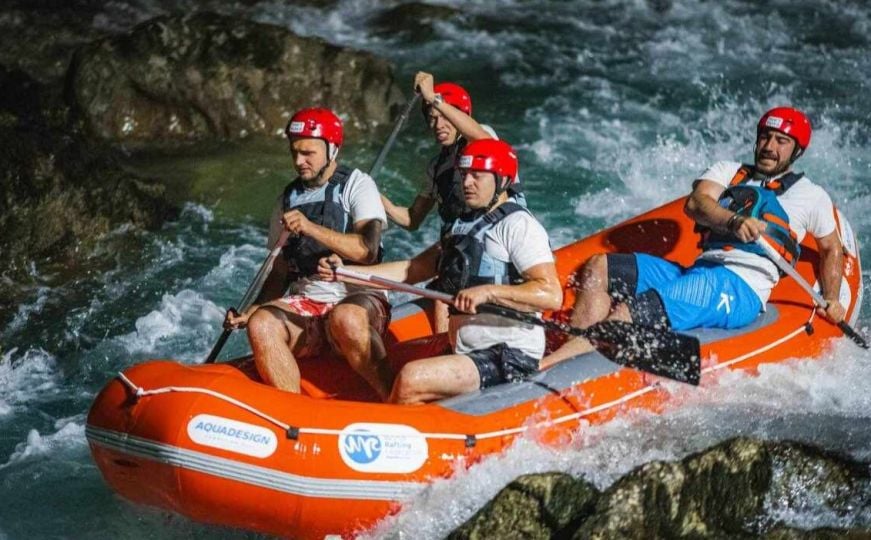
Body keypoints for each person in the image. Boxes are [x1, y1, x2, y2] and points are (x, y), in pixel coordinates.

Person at [542, 106, 847, 368]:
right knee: (600, 267)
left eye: (781, 141)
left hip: (740, 287)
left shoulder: (811, 196)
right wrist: (732, 220)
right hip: (701, 270)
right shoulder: (728, 171)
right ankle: (575, 358)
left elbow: (832, 248)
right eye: (765, 137)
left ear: (797, 151)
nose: (770, 146)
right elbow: (696, 203)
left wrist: (832, 298)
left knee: (631, 312)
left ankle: (551, 367)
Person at [320, 139, 562, 404]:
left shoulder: (519, 226)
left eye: (476, 176)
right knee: (401, 364)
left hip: (508, 355)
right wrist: (346, 272)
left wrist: (489, 292)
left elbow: (550, 293)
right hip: (466, 350)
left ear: (502, 180)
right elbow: (413, 269)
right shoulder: (462, 226)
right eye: (464, 174)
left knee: (412, 377)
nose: (466, 183)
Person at [225, 107, 393, 398]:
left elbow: (367, 250)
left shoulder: (357, 185)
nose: (299, 162)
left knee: (346, 318)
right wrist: (252, 310)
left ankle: (394, 399)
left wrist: (311, 227)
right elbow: (279, 272)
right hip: (308, 305)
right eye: (294, 152)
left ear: (332, 150)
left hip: (358, 299)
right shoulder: (287, 199)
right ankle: (294, 416)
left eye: (308, 153)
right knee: (261, 324)